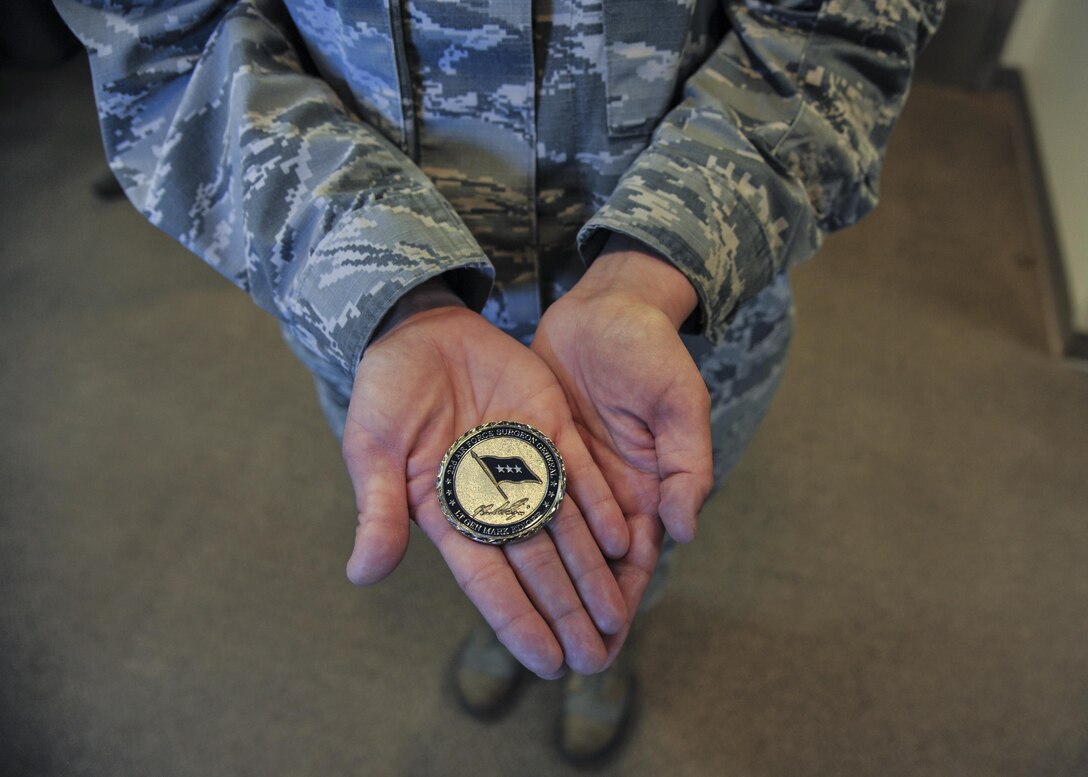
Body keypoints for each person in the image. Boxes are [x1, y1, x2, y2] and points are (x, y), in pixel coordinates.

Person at [55, 0, 942, 761]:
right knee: (470, 526)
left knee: (638, 523)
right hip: (378, 329)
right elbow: (169, 38)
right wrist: (386, 289)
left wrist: (650, 268)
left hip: (680, 310)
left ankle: (612, 632)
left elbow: (833, 28)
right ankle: (504, 613)